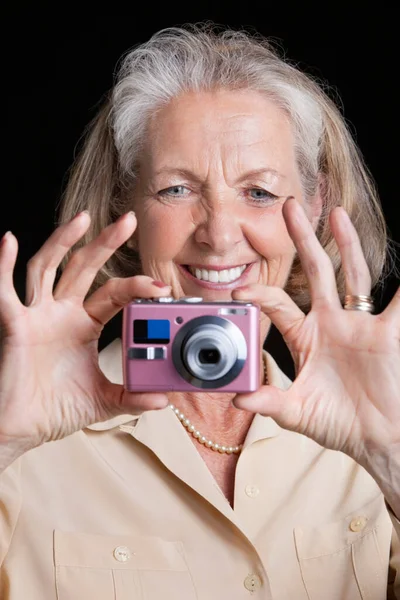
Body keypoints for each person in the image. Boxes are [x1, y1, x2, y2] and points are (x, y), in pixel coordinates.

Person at [0, 23, 399, 600]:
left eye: (259, 192)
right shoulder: (25, 442)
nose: (218, 235)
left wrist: (386, 454)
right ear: (124, 201)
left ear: (315, 205)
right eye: (177, 190)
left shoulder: (362, 435)